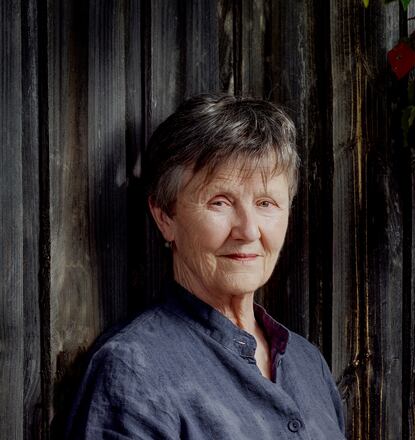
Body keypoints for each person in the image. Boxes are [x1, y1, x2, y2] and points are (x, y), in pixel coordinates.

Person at [65, 94, 346, 439]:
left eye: (266, 202)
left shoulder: (308, 364)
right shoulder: (133, 370)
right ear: (165, 217)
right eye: (220, 202)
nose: (248, 230)